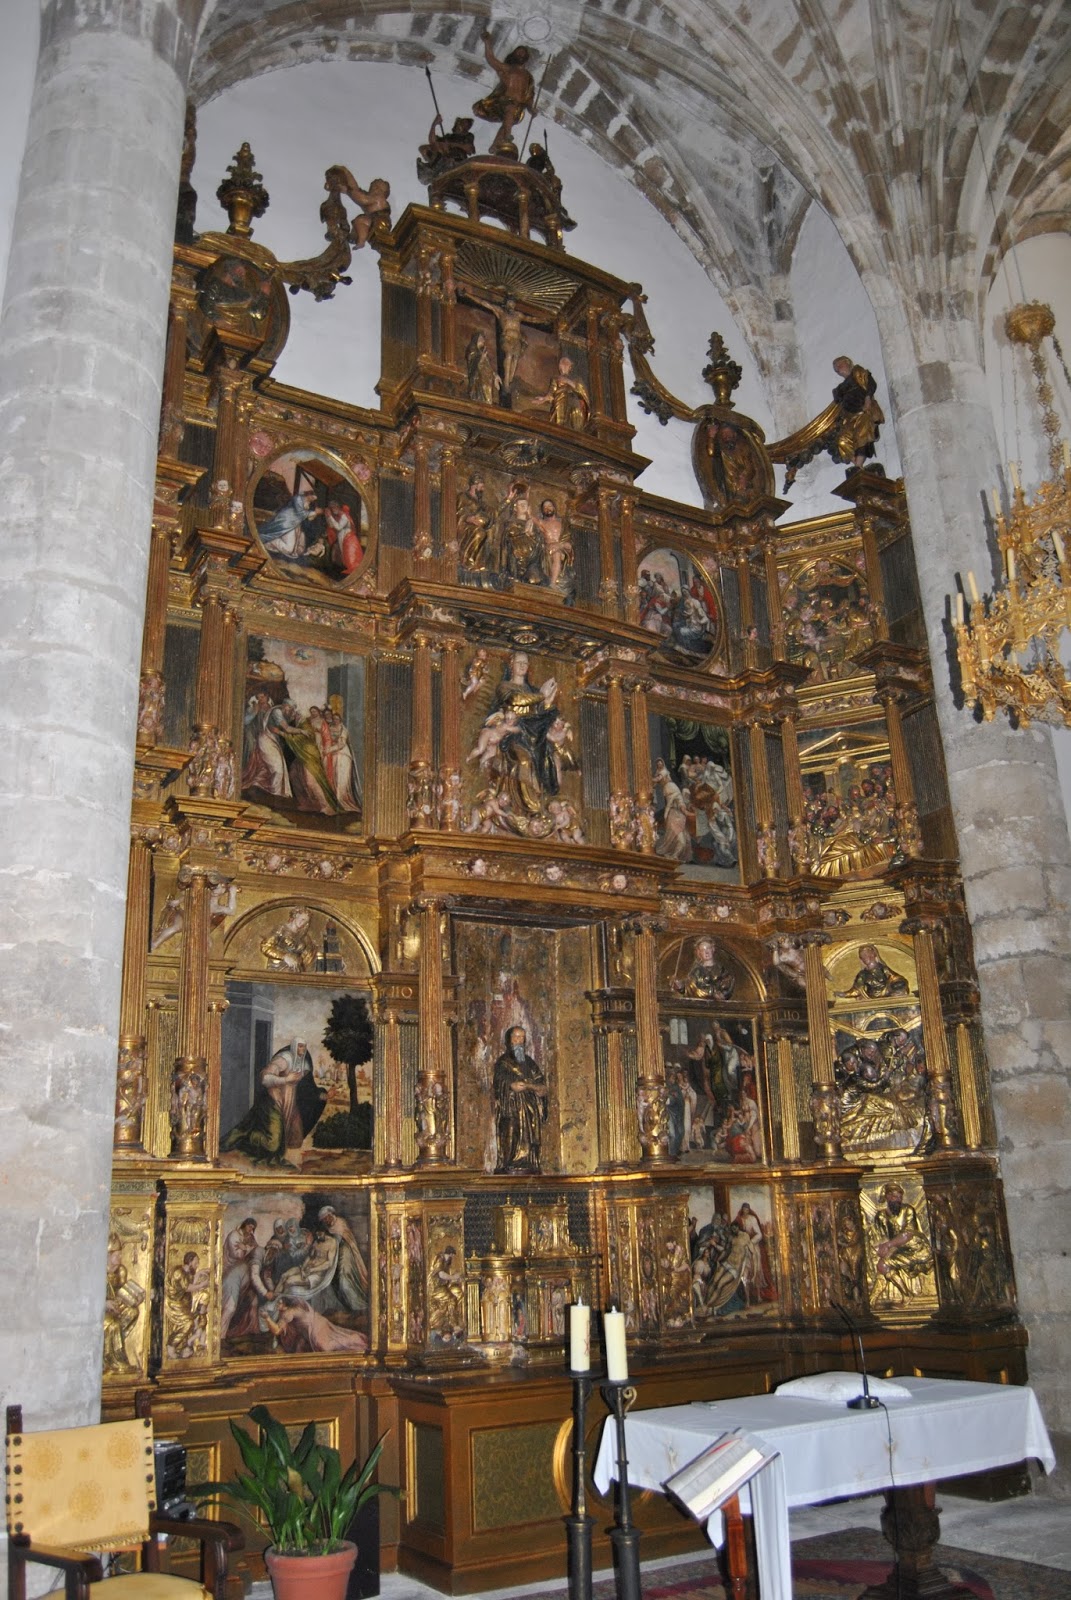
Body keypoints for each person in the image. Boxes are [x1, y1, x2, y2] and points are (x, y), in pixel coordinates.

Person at [493, 1025, 548, 1172]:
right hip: (511, 1107)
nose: (519, 1041)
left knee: (530, 1135)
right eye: (516, 1037)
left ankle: (530, 1162)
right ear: (509, 1040)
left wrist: (532, 1087)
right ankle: (510, 1162)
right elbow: (498, 1082)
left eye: (522, 1037)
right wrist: (511, 1085)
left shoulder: (530, 1063)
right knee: (512, 1133)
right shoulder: (503, 1063)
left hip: (530, 1108)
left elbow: (542, 1085)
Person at [472, 30, 536, 156]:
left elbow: (529, 95)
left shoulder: (528, 77)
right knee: (509, 111)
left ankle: (495, 145)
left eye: (523, 53)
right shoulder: (508, 68)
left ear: (526, 57)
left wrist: (531, 109)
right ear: (514, 55)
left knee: (508, 122)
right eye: (518, 52)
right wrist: (487, 43)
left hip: (518, 105)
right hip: (505, 101)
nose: (520, 54)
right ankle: (507, 137)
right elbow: (491, 59)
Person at [869, 1181, 933, 1300]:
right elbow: (880, 1239)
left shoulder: (908, 1210)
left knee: (883, 1263)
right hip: (897, 1250)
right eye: (895, 1197)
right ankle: (905, 1295)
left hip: (916, 1249)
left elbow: (908, 1234)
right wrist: (882, 1249)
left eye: (900, 1197)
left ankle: (902, 1296)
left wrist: (888, 1245)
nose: (898, 1200)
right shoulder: (881, 1216)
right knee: (880, 1264)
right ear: (888, 1197)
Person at [317, 1205, 369, 1314]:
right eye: (324, 1220)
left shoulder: (340, 1223)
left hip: (346, 1252)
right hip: (336, 1253)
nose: (326, 1221)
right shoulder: (328, 1228)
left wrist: (328, 1239)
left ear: (331, 1215)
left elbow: (343, 1239)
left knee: (344, 1279)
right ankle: (347, 1307)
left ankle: (358, 1306)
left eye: (327, 1218)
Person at [258, 486, 321, 562]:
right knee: (289, 549)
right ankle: (267, 541)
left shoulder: (308, 504)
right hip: (287, 521)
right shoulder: (298, 498)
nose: (312, 499)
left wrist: (312, 515)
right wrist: (314, 512)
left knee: (297, 550)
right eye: (312, 497)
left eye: (314, 499)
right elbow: (300, 513)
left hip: (295, 525)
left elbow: (307, 518)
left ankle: (268, 544)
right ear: (309, 494)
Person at [529, 355, 590, 430]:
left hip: (575, 401)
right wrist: (544, 398)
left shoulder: (577, 379)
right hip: (560, 400)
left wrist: (567, 381)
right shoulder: (556, 379)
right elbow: (552, 393)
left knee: (576, 415)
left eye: (566, 363)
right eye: (562, 363)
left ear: (570, 367)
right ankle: (560, 427)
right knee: (561, 399)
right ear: (559, 366)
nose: (564, 364)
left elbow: (582, 390)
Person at [841, 943, 910, 998]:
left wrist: (896, 983)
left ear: (873, 955)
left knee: (900, 984)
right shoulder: (862, 974)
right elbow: (857, 989)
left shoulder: (883, 968)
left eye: (866, 954)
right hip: (872, 997)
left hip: (887, 993)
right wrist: (844, 994)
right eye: (862, 956)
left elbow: (895, 978)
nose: (865, 957)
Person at [324, 497, 362, 574]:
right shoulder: (338, 516)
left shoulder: (344, 516)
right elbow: (331, 525)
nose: (333, 510)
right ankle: (348, 568)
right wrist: (328, 517)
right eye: (331, 509)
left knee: (350, 554)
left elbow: (338, 527)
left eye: (334, 508)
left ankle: (352, 568)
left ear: (338, 507)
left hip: (349, 539)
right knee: (344, 554)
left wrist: (330, 516)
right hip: (343, 538)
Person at [465, 329, 501, 405]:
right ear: (476, 339)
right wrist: (481, 358)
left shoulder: (483, 352)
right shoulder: (472, 351)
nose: (483, 340)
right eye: (481, 338)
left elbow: (487, 367)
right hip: (479, 379)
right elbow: (472, 365)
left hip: (487, 378)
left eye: (483, 339)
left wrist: (495, 375)